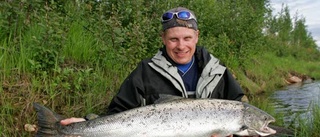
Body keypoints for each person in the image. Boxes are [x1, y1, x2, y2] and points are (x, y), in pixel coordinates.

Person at [61, 7, 246, 137]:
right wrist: (86, 124)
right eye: (173, 39)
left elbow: (240, 112)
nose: (181, 46)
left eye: (187, 38)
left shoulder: (218, 71)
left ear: (197, 37)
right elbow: (118, 114)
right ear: (163, 38)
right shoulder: (145, 72)